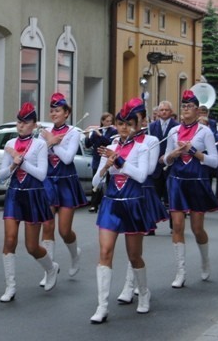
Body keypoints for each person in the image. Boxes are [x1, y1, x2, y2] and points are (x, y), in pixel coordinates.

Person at [89, 99, 158, 323]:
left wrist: (119, 161)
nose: (124, 128)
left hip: (133, 203)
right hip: (111, 203)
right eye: (121, 123)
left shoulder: (143, 146)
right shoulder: (110, 145)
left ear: (138, 124)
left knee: (134, 255)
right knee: (105, 252)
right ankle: (102, 306)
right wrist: (105, 167)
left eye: (129, 123)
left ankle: (144, 292)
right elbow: (95, 182)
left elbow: (141, 176)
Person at [0, 103, 60, 303]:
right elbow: (1, 177)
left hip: (34, 195)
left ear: (34, 124)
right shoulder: (10, 143)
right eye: (19, 121)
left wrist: (21, 161)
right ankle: (10, 286)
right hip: (14, 195)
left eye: (25, 122)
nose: (21, 125)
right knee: (9, 240)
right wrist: (12, 163)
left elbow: (42, 175)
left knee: (32, 246)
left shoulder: (40, 144)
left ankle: (51, 268)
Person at [164, 90, 218, 288]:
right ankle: (180, 271)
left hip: (197, 181)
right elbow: (165, 160)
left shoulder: (205, 132)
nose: (185, 109)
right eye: (183, 106)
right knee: (177, 226)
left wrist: (193, 152)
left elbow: (214, 161)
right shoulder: (173, 131)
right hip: (177, 181)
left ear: (197, 110)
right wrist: (173, 154)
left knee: (197, 228)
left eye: (189, 106)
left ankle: (205, 260)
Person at [39, 92, 88, 284]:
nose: (54, 114)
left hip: (66, 182)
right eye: (51, 111)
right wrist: (48, 141)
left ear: (66, 113)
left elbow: (67, 158)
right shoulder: (46, 131)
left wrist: (53, 143)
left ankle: (75, 254)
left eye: (57, 110)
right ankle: (49, 269)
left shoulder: (73, 132)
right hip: (49, 181)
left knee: (64, 230)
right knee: (47, 225)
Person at [148, 101, 178, 210]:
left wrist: (167, 156)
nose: (164, 112)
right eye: (162, 110)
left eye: (166, 110)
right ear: (158, 112)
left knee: (170, 195)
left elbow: (178, 145)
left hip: (171, 165)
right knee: (155, 192)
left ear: (171, 112)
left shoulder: (177, 127)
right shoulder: (151, 127)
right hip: (156, 165)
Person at [84, 112, 117, 213]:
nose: (109, 123)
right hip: (97, 160)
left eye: (110, 121)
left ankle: (105, 204)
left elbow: (108, 142)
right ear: (102, 121)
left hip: (108, 160)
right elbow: (88, 145)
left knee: (107, 183)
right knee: (96, 182)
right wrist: (86, 136)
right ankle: (94, 205)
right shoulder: (97, 131)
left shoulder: (113, 131)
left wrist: (99, 134)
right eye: (107, 121)